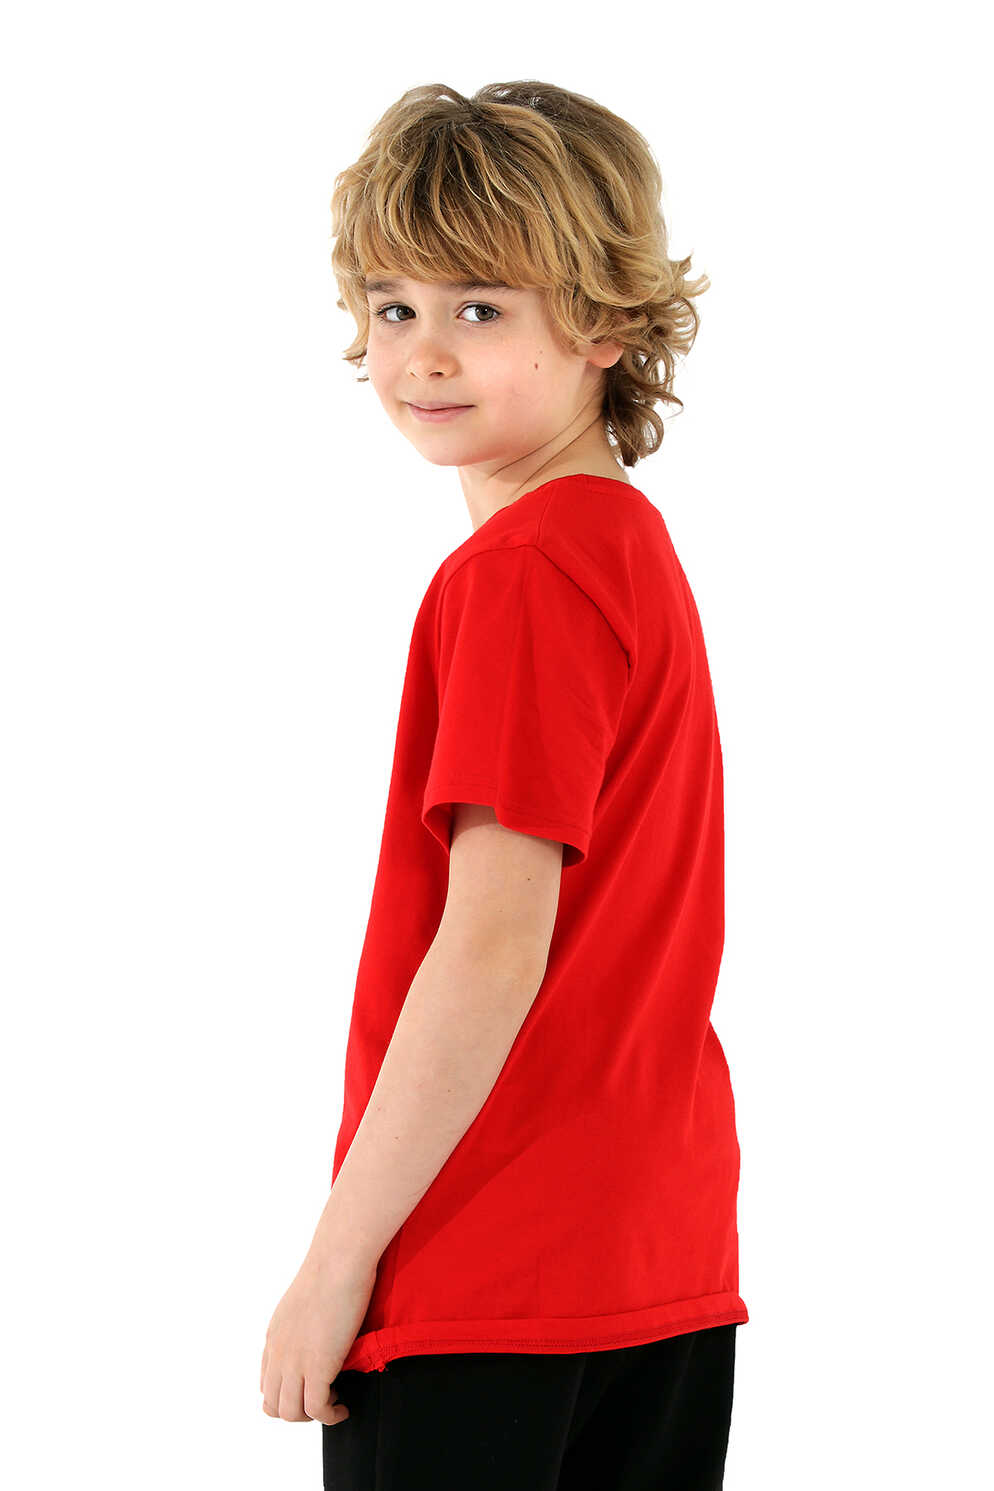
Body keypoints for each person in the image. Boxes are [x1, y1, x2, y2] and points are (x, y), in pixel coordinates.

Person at [259, 79, 749, 1490]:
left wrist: (336, 1259)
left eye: (480, 307)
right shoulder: (624, 547)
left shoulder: (523, 573)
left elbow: (490, 940)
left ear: (605, 323)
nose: (421, 352)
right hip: (656, 1258)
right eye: (392, 304)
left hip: (486, 1275)